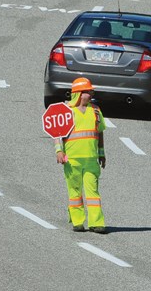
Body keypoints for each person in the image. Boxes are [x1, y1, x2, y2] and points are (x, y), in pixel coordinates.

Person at [55, 77, 108, 234]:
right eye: (88, 92)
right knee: (75, 192)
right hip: (72, 161)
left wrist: (102, 154)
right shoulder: (66, 111)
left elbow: (99, 134)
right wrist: (59, 151)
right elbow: (56, 134)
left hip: (91, 160)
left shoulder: (96, 111)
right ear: (78, 94)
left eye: (91, 91)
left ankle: (97, 223)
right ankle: (78, 222)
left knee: (93, 193)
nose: (91, 94)